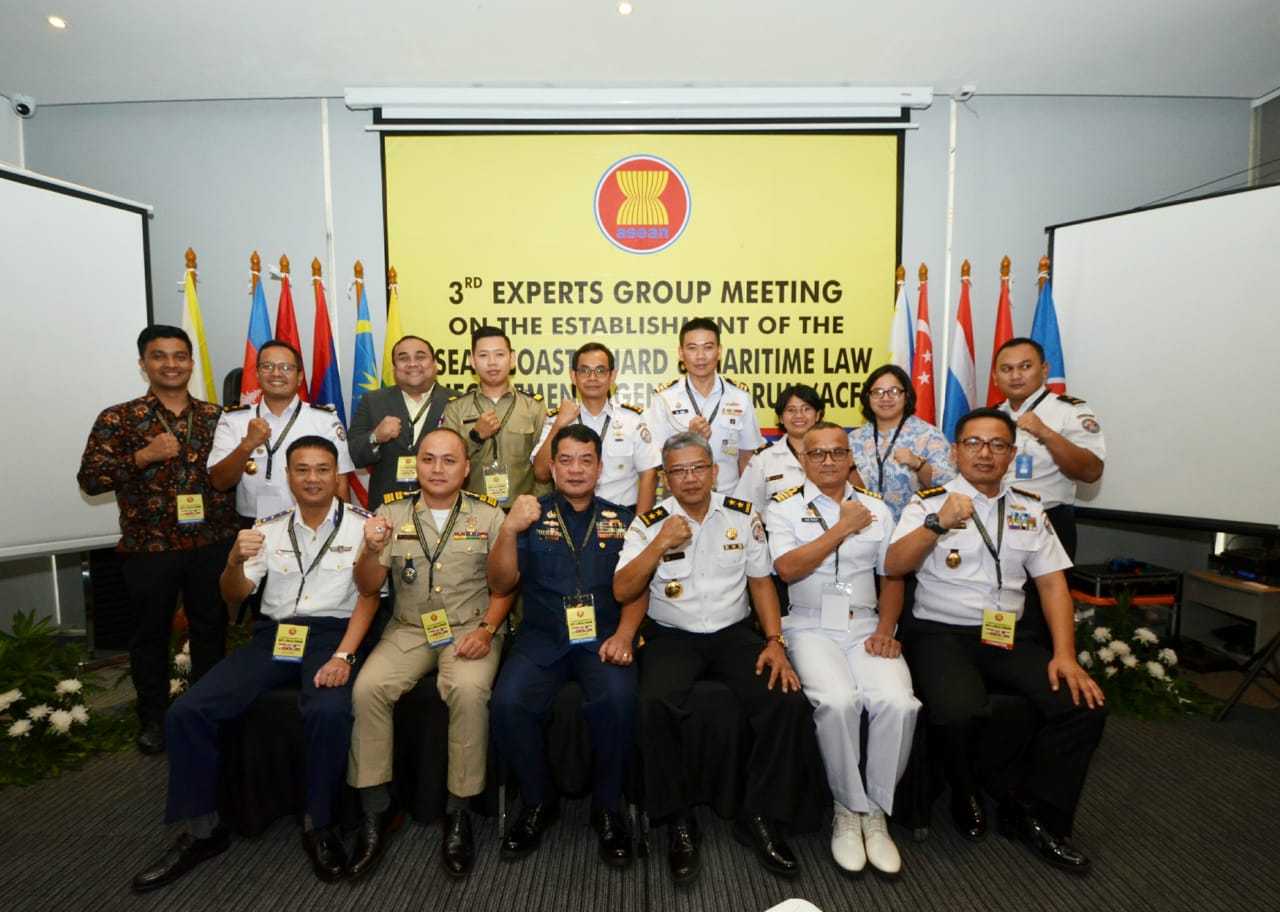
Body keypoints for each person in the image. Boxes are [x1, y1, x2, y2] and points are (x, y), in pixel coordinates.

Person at [130, 436, 379, 892]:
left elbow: (369, 595)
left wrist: (344, 654)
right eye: (301, 469)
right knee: (187, 711)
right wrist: (231, 560)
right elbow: (235, 596)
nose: (312, 478)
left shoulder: (363, 527)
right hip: (275, 636)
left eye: (322, 469)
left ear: (337, 475)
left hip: (330, 634)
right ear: (287, 476)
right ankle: (204, 832)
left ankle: (320, 825)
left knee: (326, 711)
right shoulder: (266, 529)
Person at [885, 407, 1106, 872]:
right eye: (973, 443)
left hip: (1006, 635)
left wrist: (1065, 655)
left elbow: (1051, 586)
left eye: (997, 445)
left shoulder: (1029, 507)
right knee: (958, 710)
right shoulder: (928, 502)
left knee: (1081, 705)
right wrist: (937, 524)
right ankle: (965, 791)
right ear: (955, 451)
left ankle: (1039, 816)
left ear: (1011, 454)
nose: (984, 453)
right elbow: (894, 566)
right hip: (940, 632)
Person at [614, 432, 809, 884]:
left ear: (715, 470)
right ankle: (678, 822)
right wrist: (660, 542)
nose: (690, 478)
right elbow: (624, 589)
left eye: (698, 467)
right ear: (664, 478)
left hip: (732, 633)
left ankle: (759, 816)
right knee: (653, 703)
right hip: (672, 635)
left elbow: (761, 582)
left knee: (787, 702)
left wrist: (775, 640)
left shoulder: (742, 516)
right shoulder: (648, 523)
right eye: (679, 470)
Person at [346, 427, 514, 880]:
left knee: (467, 690)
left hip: (469, 627)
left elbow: (504, 589)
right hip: (408, 629)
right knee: (367, 689)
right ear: (415, 464)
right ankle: (374, 812)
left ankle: (458, 812)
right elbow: (366, 587)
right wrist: (372, 550)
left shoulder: (490, 516)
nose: (437, 469)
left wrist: (487, 630)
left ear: (466, 468)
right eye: (428, 459)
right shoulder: (390, 513)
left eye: (448, 461)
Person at [765, 421, 919, 876]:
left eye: (837, 453)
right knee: (836, 701)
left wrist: (888, 628)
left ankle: (875, 812)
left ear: (851, 458)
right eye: (818, 454)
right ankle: (846, 811)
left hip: (867, 625)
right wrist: (841, 528)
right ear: (802, 460)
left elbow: (892, 575)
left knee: (899, 703)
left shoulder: (877, 509)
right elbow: (788, 569)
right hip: (809, 626)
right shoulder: (783, 508)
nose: (828, 461)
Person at [78, 325, 238, 755]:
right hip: (150, 547)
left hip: (211, 543)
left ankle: (206, 712)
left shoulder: (216, 418)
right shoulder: (119, 418)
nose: (171, 364)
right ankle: (152, 718)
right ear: (143, 363)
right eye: (160, 356)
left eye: (180, 356)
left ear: (190, 362)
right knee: (150, 636)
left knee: (210, 629)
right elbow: (90, 480)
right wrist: (143, 456)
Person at [489, 424, 643, 867]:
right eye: (567, 460)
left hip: (604, 637)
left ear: (600, 467)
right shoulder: (528, 513)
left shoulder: (624, 519)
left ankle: (609, 808)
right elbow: (500, 583)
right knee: (507, 704)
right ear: (552, 467)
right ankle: (538, 802)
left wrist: (625, 636)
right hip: (542, 637)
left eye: (586, 460)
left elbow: (638, 589)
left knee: (619, 699)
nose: (576, 469)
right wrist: (506, 530)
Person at [208, 339, 354, 523]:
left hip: (311, 521)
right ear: (257, 374)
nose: (276, 373)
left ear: (300, 377)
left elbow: (340, 482)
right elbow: (220, 482)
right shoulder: (233, 419)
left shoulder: (324, 420)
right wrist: (248, 444)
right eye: (267, 366)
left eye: (286, 367)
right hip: (252, 524)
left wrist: (342, 529)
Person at [991, 337, 1105, 559]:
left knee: (1048, 593)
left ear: (1044, 370)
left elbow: (1091, 471)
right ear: (995, 378)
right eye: (1006, 369)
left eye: (1025, 366)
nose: (1015, 376)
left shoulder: (1070, 411)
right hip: (996, 517)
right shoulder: (992, 416)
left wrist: (1045, 433)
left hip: (1048, 518)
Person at [530, 341, 660, 513]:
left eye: (600, 371)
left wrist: (639, 528)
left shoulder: (632, 419)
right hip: (570, 517)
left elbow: (648, 475)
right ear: (573, 376)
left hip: (622, 516)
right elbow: (541, 473)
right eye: (584, 371)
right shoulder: (558, 418)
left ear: (612, 376)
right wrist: (559, 425)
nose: (592, 378)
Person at [647, 318, 764, 493]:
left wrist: (746, 504)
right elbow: (656, 459)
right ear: (681, 352)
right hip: (680, 499)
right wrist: (689, 438)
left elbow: (747, 457)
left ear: (719, 351)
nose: (700, 356)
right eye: (692, 348)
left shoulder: (740, 397)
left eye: (708, 347)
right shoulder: (664, 398)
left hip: (728, 497)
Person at [348, 334, 458, 506]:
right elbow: (354, 454)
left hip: (444, 506)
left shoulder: (458, 402)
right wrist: (375, 437)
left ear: (435, 364)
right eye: (403, 358)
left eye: (420, 357)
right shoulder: (372, 401)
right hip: (388, 508)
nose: (412, 363)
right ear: (394, 367)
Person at [443, 325, 546, 508]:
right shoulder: (455, 408)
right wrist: (475, 436)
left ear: (512, 359)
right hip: (471, 512)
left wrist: (536, 505)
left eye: (499, 355)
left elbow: (543, 467)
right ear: (472, 361)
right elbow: (446, 462)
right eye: (483, 355)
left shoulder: (534, 407)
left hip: (522, 511)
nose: (492, 362)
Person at [847, 364, 954, 521]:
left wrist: (918, 465)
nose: (886, 398)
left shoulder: (929, 436)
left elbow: (948, 485)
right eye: (878, 392)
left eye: (894, 392)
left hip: (914, 531)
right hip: (865, 531)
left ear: (907, 396)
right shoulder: (853, 439)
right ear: (867, 397)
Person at [733, 384, 824, 510]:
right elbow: (745, 507)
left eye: (806, 409)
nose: (799, 415)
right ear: (781, 417)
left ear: (818, 415)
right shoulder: (764, 458)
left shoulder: (834, 453)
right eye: (791, 410)